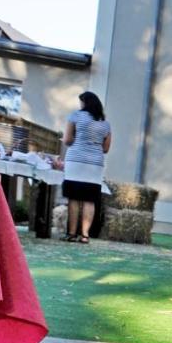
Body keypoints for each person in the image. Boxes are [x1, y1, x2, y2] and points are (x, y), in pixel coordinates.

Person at [58, 91, 112, 243]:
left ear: (85, 103)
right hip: (95, 163)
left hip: (76, 160)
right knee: (90, 199)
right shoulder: (105, 123)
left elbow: (68, 140)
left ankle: (71, 233)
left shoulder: (75, 116)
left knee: (74, 198)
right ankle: (85, 235)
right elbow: (106, 149)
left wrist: (72, 139)